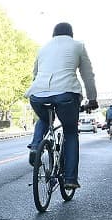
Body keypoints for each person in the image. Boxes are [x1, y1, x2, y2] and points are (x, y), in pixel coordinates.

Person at [26, 22, 98, 190]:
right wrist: (92, 99)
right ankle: (70, 178)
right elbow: (88, 75)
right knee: (70, 132)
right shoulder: (78, 46)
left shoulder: (43, 48)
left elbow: (35, 73)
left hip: (37, 93)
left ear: (53, 34)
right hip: (66, 93)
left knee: (44, 117)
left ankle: (36, 145)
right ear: (71, 34)